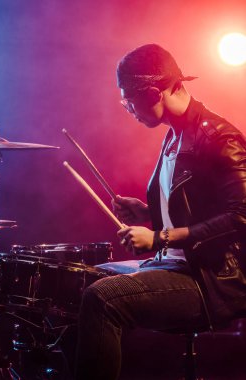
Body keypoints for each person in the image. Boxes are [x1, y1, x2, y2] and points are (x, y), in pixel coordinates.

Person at [75, 44, 246, 380]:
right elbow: (192, 210)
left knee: (103, 298)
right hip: (176, 265)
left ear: (154, 92)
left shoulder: (220, 137)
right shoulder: (174, 136)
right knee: (82, 279)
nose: (128, 109)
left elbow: (240, 217)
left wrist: (158, 236)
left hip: (212, 282)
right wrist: (146, 213)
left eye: (129, 100)